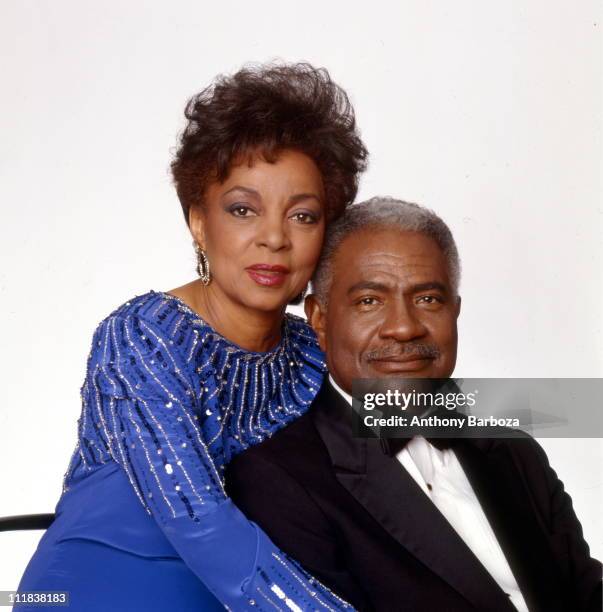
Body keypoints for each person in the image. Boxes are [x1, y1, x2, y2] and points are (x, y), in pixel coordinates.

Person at [17, 63, 368, 611]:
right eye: (243, 209)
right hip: (94, 589)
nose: (274, 238)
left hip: (232, 597)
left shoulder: (305, 353)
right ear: (199, 222)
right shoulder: (142, 338)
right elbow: (198, 517)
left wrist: (527, 411)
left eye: (303, 215)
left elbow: (403, 409)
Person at [227, 197, 603, 612]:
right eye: (370, 300)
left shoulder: (515, 452)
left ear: (455, 312)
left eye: (428, 300)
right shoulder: (277, 479)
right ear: (319, 318)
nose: (404, 327)